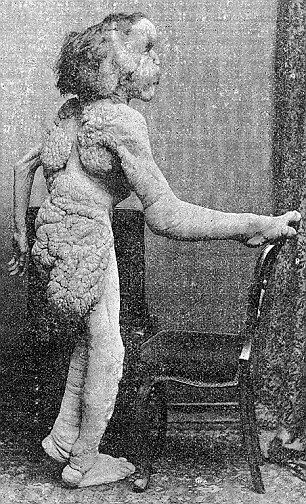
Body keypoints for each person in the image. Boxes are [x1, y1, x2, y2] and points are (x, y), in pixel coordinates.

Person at [8, 12, 301, 488]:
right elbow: (165, 216)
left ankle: (62, 437)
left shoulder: (73, 111)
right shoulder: (122, 122)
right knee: (109, 350)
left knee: (88, 339)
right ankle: (84, 462)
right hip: (87, 244)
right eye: (147, 50)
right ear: (118, 65)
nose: (156, 62)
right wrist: (255, 224)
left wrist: (23, 239)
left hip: (53, 241)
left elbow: (24, 169)